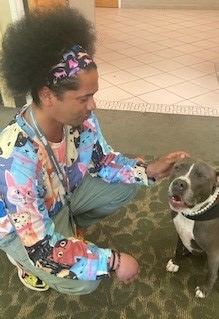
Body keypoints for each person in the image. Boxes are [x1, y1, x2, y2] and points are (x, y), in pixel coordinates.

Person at [0, 7, 188, 295]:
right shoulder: (15, 160)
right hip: (23, 229)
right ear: (48, 95)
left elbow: (101, 159)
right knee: (86, 281)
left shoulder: (80, 120)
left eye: (93, 95)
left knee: (126, 186)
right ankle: (19, 259)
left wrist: (148, 171)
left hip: (61, 198)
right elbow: (40, 246)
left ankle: (69, 229)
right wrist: (111, 261)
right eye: (84, 98)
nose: (93, 106)